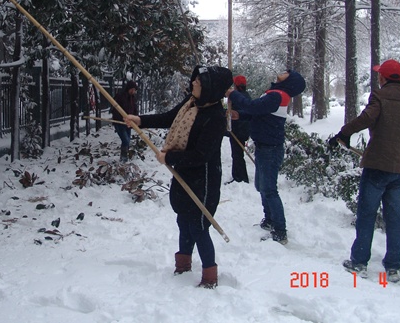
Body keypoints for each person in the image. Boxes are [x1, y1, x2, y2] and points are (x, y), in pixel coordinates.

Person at [125, 66, 233, 289]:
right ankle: (183, 265)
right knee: (183, 219)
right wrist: (140, 120)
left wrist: (169, 157)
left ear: (210, 89)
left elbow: (202, 155)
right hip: (184, 172)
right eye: (195, 80)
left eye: (199, 82)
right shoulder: (191, 103)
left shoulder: (215, 117)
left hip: (204, 179)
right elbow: (169, 117)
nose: (193, 83)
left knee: (198, 226)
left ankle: (209, 276)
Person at [328, 59, 400, 283]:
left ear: (383, 77)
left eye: (380, 74)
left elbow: (367, 118)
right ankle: (393, 267)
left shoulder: (380, 96)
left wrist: (344, 133)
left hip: (378, 165)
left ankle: (359, 262)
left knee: (367, 213)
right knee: (394, 217)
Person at [232, 69, 306, 245]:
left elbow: (252, 106)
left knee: (269, 190)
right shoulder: (275, 94)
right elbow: (258, 113)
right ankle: (270, 220)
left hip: (270, 150)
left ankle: (280, 231)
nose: (285, 71)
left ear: (290, 81)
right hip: (265, 147)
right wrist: (240, 115)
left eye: (288, 73)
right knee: (261, 186)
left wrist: (232, 94)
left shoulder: (277, 96)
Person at [226, 75, 252, 184]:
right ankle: (238, 175)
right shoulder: (246, 96)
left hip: (238, 130)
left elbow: (236, 114)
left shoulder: (238, 97)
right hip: (242, 130)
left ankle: (240, 177)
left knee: (237, 154)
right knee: (237, 154)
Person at [111, 80, 138, 162]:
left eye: (134, 90)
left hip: (128, 123)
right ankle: (123, 158)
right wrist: (121, 118)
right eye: (132, 89)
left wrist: (136, 119)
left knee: (127, 140)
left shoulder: (133, 98)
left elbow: (135, 110)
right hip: (120, 123)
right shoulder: (120, 96)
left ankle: (125, 156)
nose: (133, 91)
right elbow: (114, 109)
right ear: (128, 88)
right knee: (125, 140)